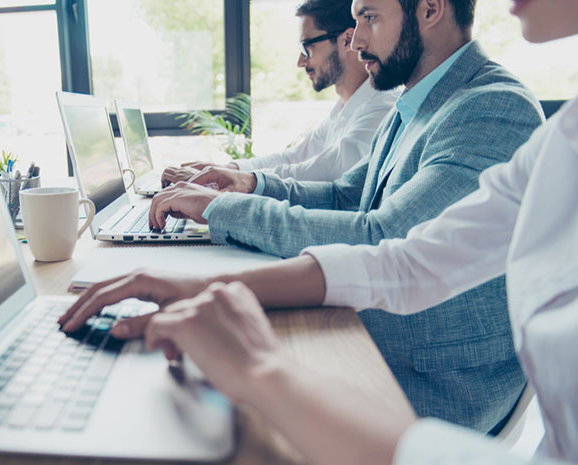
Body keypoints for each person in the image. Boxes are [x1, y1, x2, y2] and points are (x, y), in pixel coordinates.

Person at [60, 0, 578, 463]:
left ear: (430, 10)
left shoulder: (492, 106)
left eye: (369, 17)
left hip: (436, 379)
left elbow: (386, 236)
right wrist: (242, 190)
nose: (355, 38)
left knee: (195, 406)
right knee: (183, 369)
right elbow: (349, 200)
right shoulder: (414, 104)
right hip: (381, 329)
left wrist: (225, 210)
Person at [161, 0, 398, 186]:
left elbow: (326, 172)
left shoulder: (381, 107)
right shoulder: (344, 108)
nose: (300, 62)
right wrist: (228, 169)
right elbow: (293, 158)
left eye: (307, 47)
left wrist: (231, 179)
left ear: (347, 40)